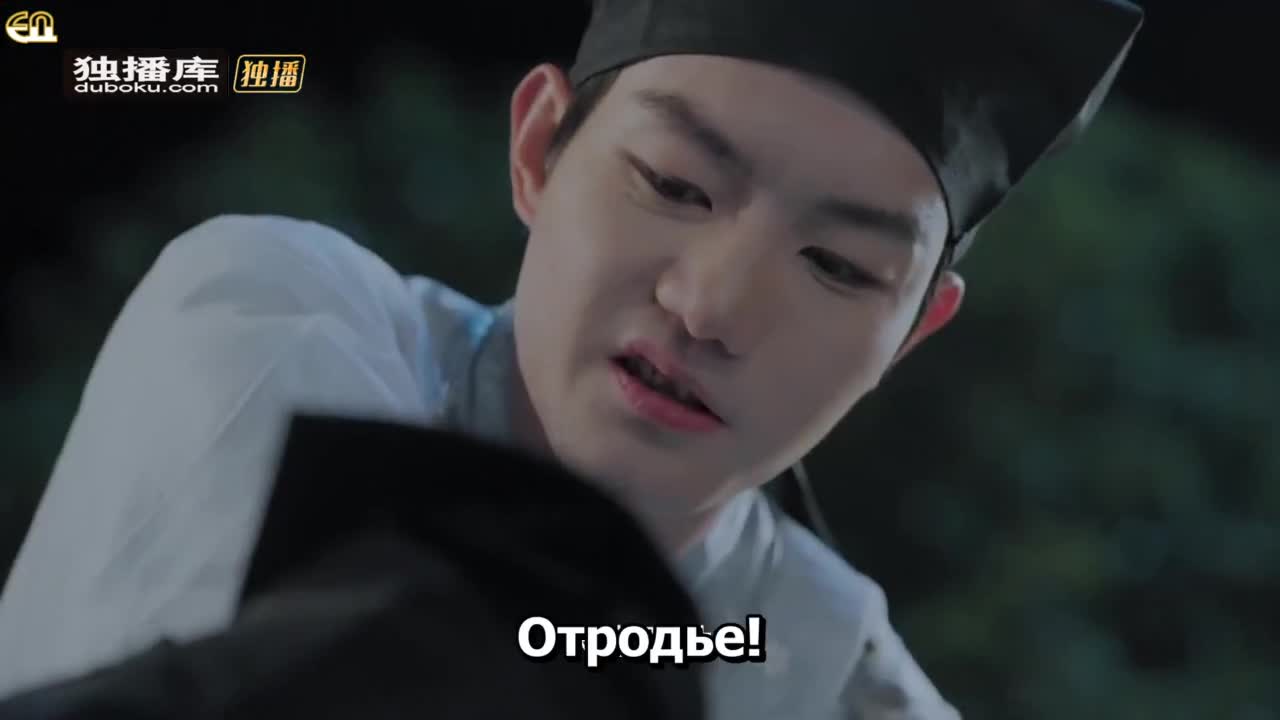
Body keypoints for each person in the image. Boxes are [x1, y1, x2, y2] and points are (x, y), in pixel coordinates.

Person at [0, 0, 1145, 717]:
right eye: (674, 186)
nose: (708, 308)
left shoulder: (829, 665)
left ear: (914, 331)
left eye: (838, 267)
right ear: (539, 148)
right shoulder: (282, 317)